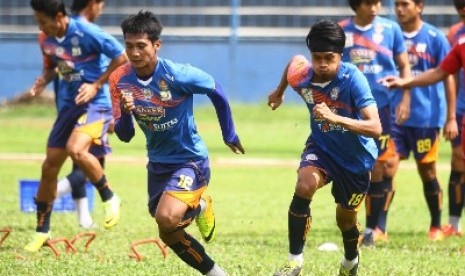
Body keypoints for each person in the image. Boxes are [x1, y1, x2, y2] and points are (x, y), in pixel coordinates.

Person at [110, 11, 244, 276]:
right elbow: (125, 136)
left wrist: (228, 133)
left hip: (190, 160)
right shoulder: (120, 80)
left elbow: (215, 90)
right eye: (129, 46)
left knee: (167, 217)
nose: (134, 53)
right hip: (158, 163)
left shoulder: (177, 74)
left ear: (156, 45)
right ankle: (216, 272)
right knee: (167, 229)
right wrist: (125, 112)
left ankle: (201, 202)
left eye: (141, 46)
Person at [269, 20, 381, 276]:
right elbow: (293, 62)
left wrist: (335, 118)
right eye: (316, 58)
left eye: (329, 58)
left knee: (345, 220)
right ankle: (294, 260)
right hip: (321, 148)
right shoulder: (303, 76)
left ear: (340, 55)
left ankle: (351, 260)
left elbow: (375, 127)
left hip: (356, 160)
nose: (321, 64)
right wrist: (279, 92)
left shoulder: (353, 79)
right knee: (304, 185)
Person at [25, 0, 127, 252]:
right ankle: (42, 231)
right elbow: (53, 67)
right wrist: (43, 81)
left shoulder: (87, 32)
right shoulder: (45, 39)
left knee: (77, 149)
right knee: (49, 167)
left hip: (95, 105)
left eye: (43, 21)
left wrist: (96, 84)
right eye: (37, 21)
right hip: (68, 106)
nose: (40, 26)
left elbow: (121, 57)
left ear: (59, 16)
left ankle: (109, 196)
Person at [382, 0, 458, 242]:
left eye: (405, 4)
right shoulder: (389, 35)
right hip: (393, 115)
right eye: (397, 5)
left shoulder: (436, 38)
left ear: (420, 7)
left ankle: (436, 225)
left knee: (427, 170)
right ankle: (379, 228)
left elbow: (448, 77)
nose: (400, 10)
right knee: (387, 166)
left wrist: (451, 117)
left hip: (426, 117)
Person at [338, 0, 412, 246]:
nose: (374, 8)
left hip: (383, 108)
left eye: (377, 3)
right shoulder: (341, 31)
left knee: (381, 166)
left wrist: (406, 97)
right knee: (356, 168)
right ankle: (355, 224)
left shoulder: (391, 30)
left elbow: (404, 67)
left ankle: (373, 228)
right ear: (356, 5)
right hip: (350, 109)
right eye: (368, 3)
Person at [54, 0, 108, 229]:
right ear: (93, 4)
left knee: (80, 160)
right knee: (93, 164)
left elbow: (62, 69)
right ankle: (49, 194)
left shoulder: (64, 31)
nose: (101, 9)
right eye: (101, 4)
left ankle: (84, 218)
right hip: (91, 106)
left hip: (68, 103)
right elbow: (116, 64)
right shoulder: (90, 32)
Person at [441, 0, 465, 237]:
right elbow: (450, 74)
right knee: (458, 162)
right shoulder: (455, 34)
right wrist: (451, 116)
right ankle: (454, 224)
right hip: (461, 110)